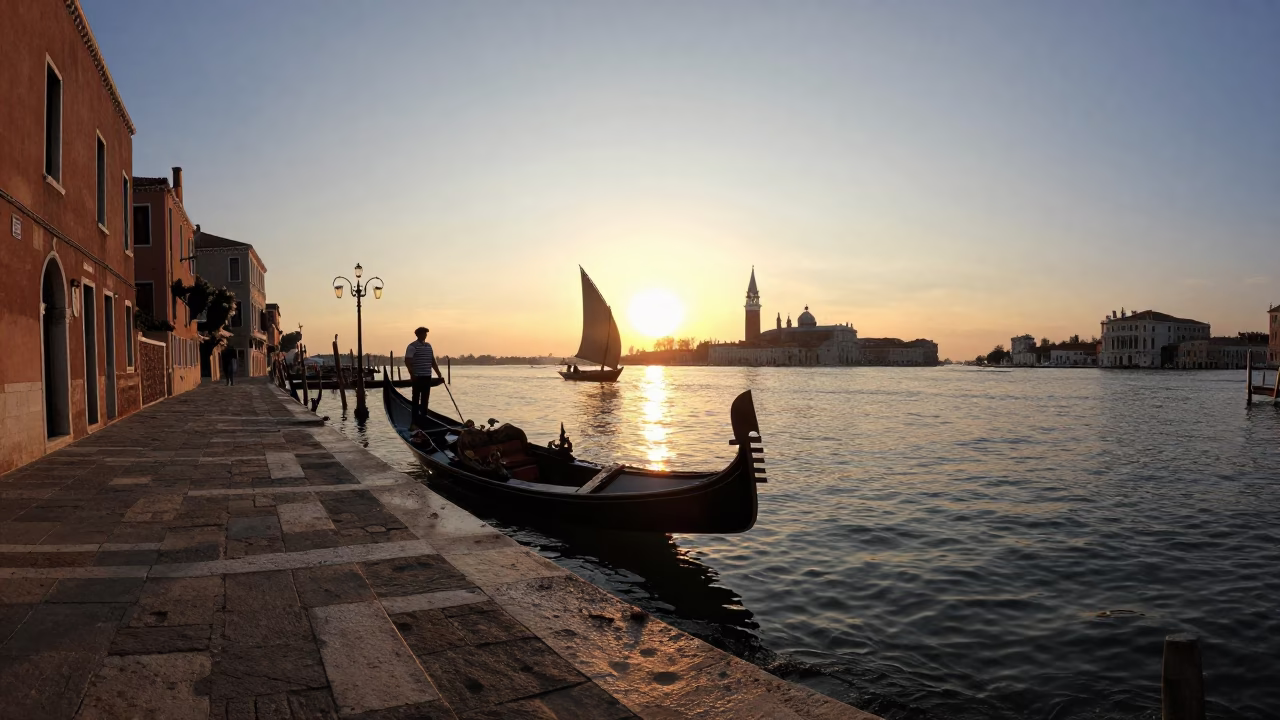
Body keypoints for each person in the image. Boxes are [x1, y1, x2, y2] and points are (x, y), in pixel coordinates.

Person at [405, 326, 443, 425]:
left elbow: (433, 361)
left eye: (425, 333)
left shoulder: (428, 346)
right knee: (416, 400)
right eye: (423, 333)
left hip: (427, 376)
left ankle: (423, 419)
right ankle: (414, 421)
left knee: (425, 399)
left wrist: (439, 374)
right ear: (417, 335)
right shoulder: (412, 346)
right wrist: (412, 374)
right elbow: (407, 361)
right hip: (417, 376)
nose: (425, 335)